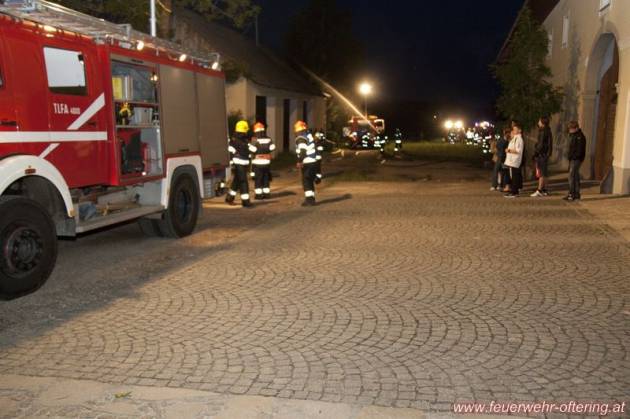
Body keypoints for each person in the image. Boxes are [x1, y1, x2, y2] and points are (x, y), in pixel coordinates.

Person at [226, 120, 257, 207]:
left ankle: (229, 198)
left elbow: (230, 149)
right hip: (240, 163)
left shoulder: (234, 140)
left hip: (239, 163)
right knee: (243, 181)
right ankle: (245, 201)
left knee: (237, 181)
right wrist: (253, 144)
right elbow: (253, 150)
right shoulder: (243, 141)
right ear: (244, 130)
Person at [294, 120, 319, 206]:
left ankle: (309, 200)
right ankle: (312, 199)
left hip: (307, 162)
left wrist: (299, 161)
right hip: (313, 162)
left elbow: (303, 152)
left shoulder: (301, 138)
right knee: (310, 181)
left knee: (306, 181)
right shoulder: (308, 135)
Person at [251, 122, 276, 200]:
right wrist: (266, 151)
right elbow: (272, 147)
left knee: (258, 179)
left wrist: (249, 146)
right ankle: (266, 194)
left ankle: (259, 195)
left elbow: (253, 150)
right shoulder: (268, 139)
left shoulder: (254, 139)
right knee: (266, 178)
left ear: (255, 131)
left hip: (257, 162)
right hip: (266, 162)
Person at [531, 116, 553, 197]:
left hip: (542, 154)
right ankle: (544, 190)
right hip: (545, 154)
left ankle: (539, 190)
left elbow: (541, 145)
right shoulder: (548, 130)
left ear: (543, 122)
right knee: (544, 173)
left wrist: (535, 153)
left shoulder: (543, 131)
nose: (538, 122)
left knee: (541, 173)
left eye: (539, 121)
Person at [565, 120, 586, 201]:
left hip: (576, 159)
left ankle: (572, 193)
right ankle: (576, 194)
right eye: (569, 129)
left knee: (571, 176)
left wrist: (573, 156)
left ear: (576, 128)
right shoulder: (574, 135)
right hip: (573, 159)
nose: (570, 130)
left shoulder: (579, 137)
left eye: (571, 129)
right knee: (575, 176)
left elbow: (579, 150)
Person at [504, 123, 524, 198]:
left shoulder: (519, 139)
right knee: (513, 176)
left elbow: (518, 151)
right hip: (512, 161)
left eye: (515, 129)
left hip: (515, 161)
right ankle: (513, 191)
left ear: (520, 130)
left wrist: (509, 150)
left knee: (515, 177)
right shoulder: (515, 138)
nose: (514, 130)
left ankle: (514, 192)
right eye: (513, 129)